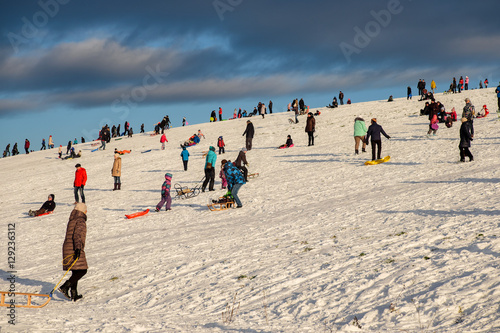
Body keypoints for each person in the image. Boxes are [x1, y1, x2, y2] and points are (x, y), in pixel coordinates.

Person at [58, 202, 88, 301]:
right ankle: (65, 286)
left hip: (68, 247)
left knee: (76, 270)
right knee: (82, 270)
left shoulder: (72, 219)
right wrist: (78, 248)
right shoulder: (80, 220)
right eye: (85, 210)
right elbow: (78, 235)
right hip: (74, 247)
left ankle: (74, 294)